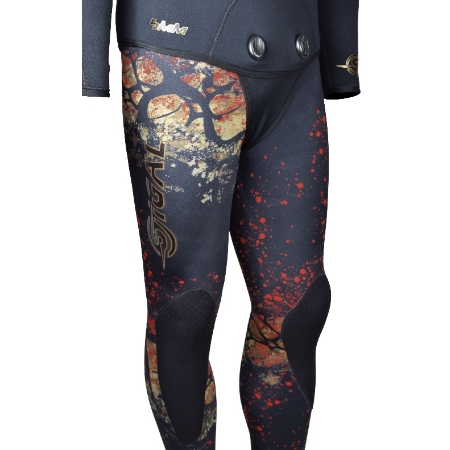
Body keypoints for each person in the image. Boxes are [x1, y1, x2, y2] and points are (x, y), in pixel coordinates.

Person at [82, 1, 360, 448]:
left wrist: (342, 57)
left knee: (300, 306)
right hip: (176, 61)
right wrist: (91, 61)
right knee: (185, 313)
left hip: (295, 57)